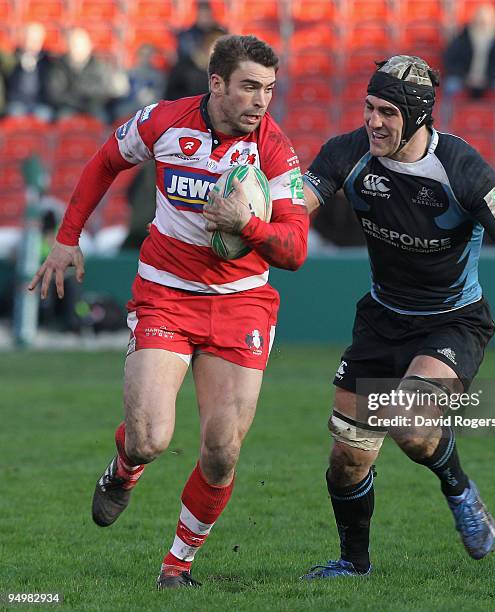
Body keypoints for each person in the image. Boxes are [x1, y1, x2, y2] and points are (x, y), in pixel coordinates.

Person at [28, 34, 308, 589]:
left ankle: (177, 567)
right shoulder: (162, 122)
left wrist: (246, 226)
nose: (261, 101)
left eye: (270, 90)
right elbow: (106, 160)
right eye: (250, 87)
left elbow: (295, 249)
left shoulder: (275, 150)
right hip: (166, 295)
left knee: (222, 452)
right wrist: (67, 238)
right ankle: (124, 469)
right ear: (217, 84)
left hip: (242, 304)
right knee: (149, 437)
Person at [300, 55, 495, 579]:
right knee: (346, 461)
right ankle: (354, 565)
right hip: (381, 319)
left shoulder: (462, 170)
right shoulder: (347, 153)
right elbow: (292, 209)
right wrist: (246, 211)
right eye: (368, 107)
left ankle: (459, 489)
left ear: (419, 116)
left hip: (452, 322)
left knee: (407, 419)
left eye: (387, 112)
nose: (373, 122)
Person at [443, 3, 495, 97]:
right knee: (450, 86)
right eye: (480, 19)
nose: (483, 22)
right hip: (465, 78)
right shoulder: (463, 37)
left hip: (492, 79)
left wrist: (488, 78)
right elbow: (451, 59)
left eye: (486, 20)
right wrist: (465, 76)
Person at [5, 22, 53, 120]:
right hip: (17, 102)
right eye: (28, 38)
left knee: (45, 115)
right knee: (14, 115)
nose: (31, 43)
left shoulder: (48, 59)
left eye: (35, 40)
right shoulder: (11, 58)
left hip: (40, 102)